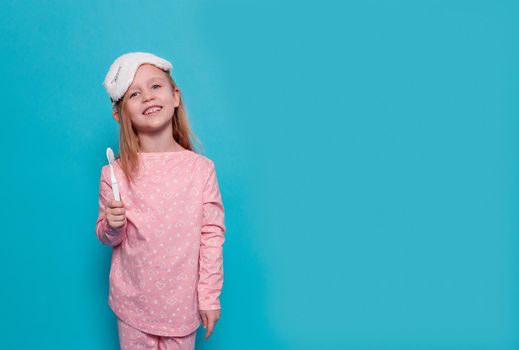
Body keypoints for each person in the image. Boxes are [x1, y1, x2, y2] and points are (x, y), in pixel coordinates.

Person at [95, 52, 226, 350]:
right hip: (132, 305)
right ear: (120, 114)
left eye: (156, 86)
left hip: (180, 306)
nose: (148, 97)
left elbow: (211, 237)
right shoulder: (113, 173)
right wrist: (112, 225)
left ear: (175, 95)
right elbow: (108, 236)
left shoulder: (201, 170)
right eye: (135, 94)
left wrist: (209, 295)